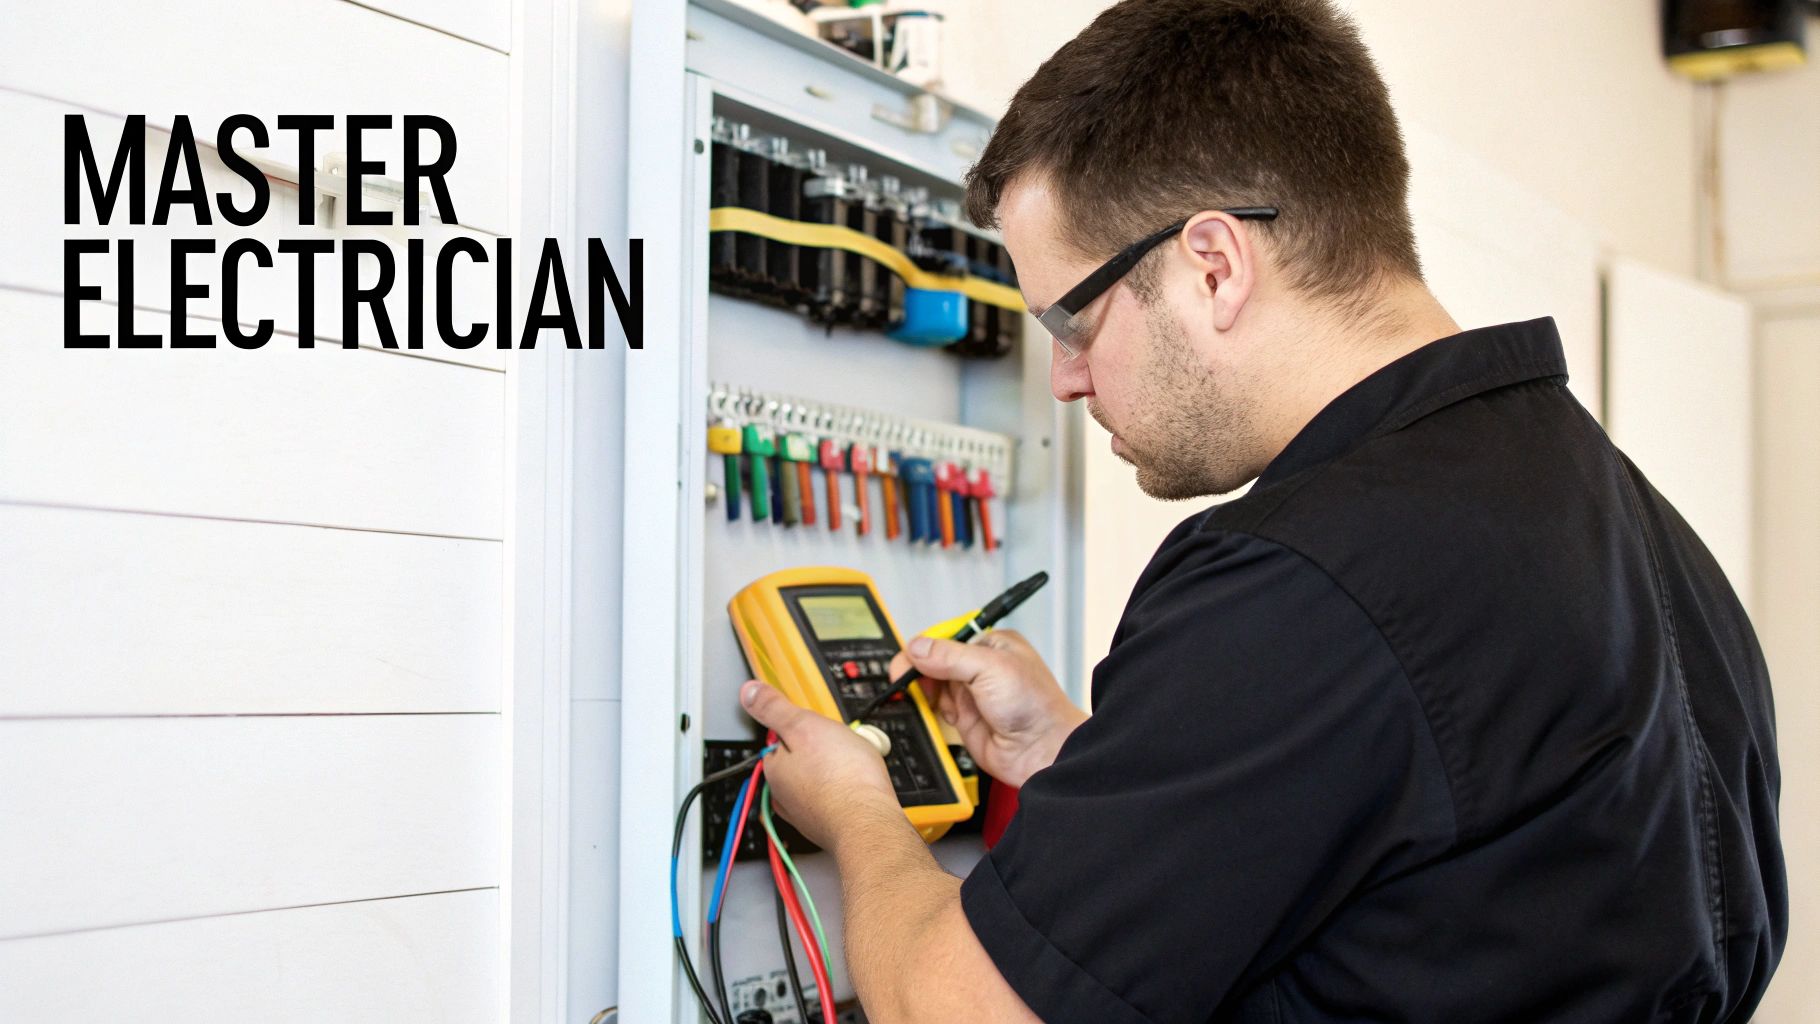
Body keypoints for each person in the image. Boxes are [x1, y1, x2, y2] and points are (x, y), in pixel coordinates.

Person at [738, 0, 1787, 1020]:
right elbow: (1428, 879)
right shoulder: (1638, 534)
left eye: (1071, 317)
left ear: (1212, 265)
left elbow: (957, 1010)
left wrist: (858, 810)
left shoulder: (1300, 578)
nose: (1062, 378)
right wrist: (1082, 758)